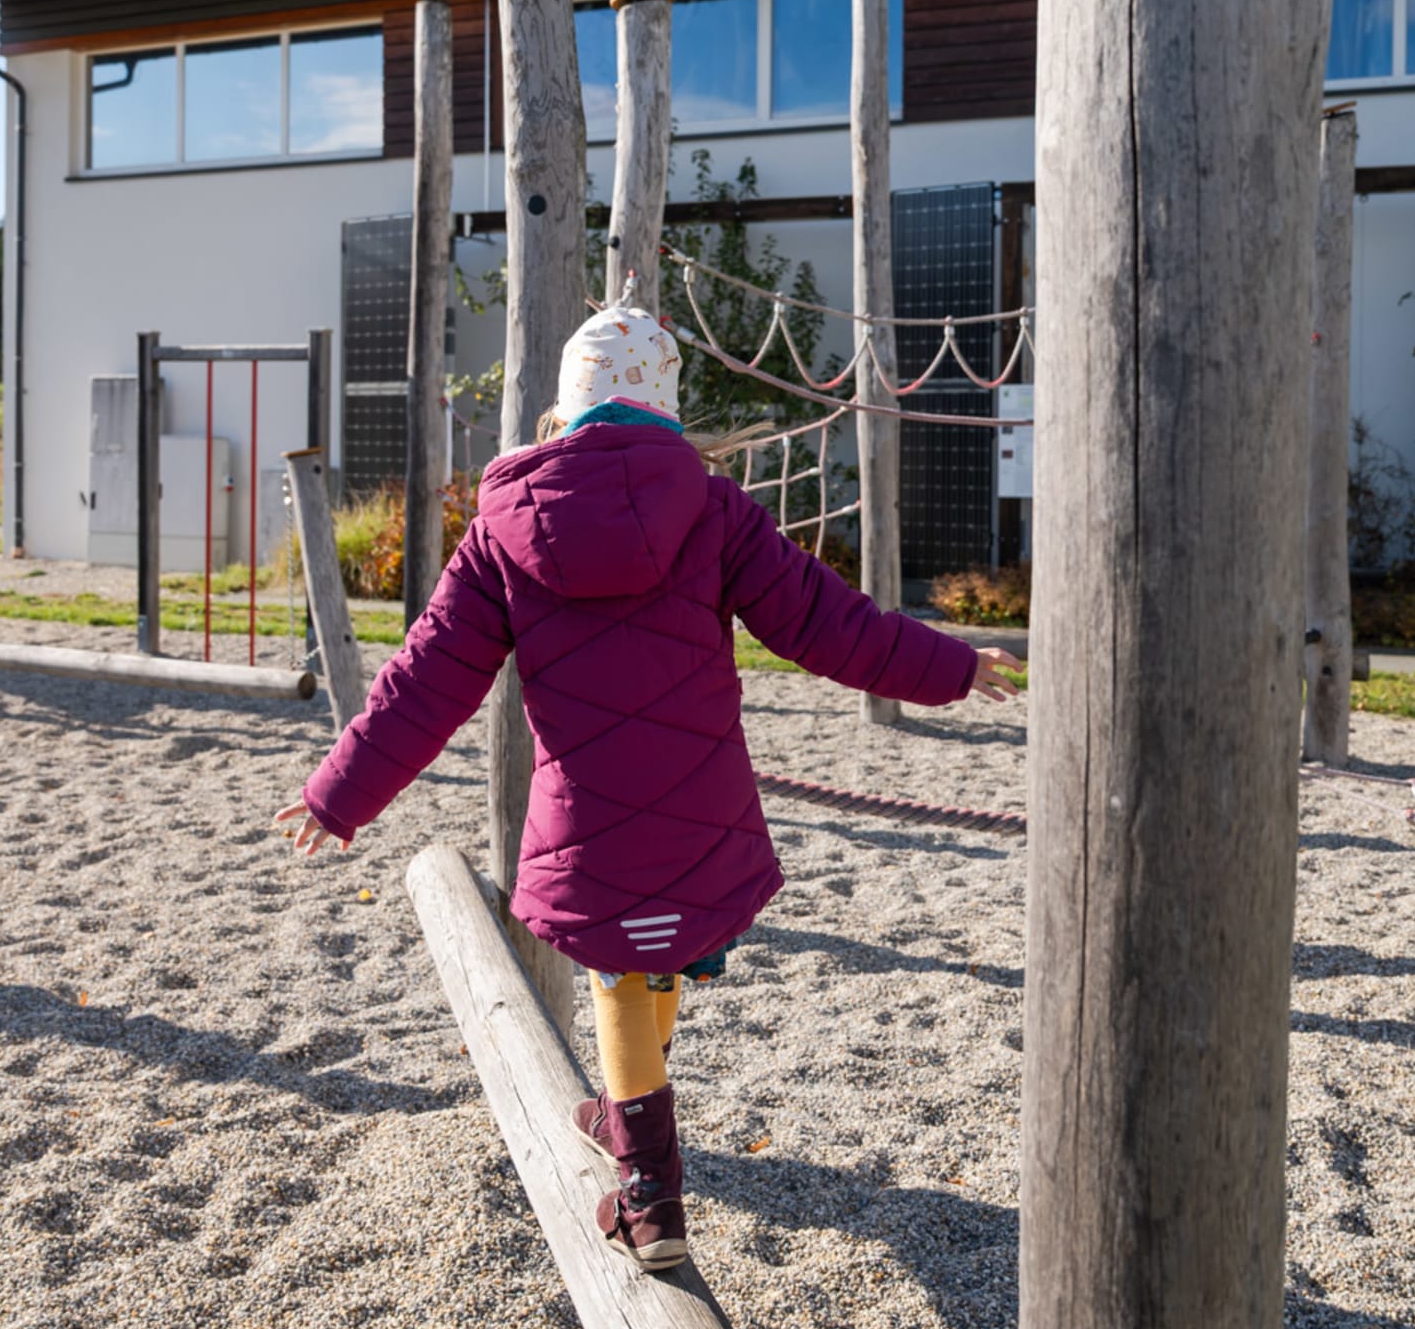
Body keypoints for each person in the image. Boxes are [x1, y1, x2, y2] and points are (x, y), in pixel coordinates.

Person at [276, 303, 1016, 1273]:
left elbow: (429, 676)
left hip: (591, 821)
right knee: (653, 965)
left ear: (564, 407)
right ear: (665, 409)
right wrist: (952, 667)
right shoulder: (714, 508)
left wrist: (343, 788)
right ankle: (635, 1135)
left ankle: (650, 1194)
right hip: (702, 810)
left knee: (624, 973)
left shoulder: (506, 526)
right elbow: (834, 626)